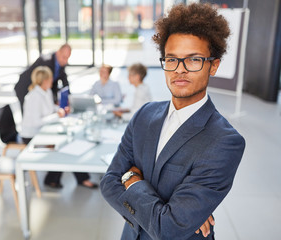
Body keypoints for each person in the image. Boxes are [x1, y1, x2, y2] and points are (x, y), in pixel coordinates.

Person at [100, 3, 245, 240]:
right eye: (172, 59)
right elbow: (108, 183)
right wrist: (168, 210)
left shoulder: (225, 141)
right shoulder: (144, 115)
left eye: (194, 60)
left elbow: (169, 228)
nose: (180, 70)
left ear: (214, 66)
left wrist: (131, 180)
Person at [20, 66, 97, 189]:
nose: (52, 80)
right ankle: (53, 179)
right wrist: (57, 115)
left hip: (44, 130)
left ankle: (72, 178)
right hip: (32, 136)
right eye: (50, 78)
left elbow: (50, 108)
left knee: (69, 143)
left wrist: (60, 110)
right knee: (64, 146)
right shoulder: (33, 97)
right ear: (44, 80)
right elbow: (35, 122)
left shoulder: (47, 91)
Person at [15, 44, 72, 112]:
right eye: (64, 57)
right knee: (29, 111)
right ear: (58, 52)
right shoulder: (46, 61)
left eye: (67, 58)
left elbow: (63, 79)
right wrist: (55, 101)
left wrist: (68, 97)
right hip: (24, 87)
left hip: (36, 88)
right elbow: (48, 85)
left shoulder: (61, 62)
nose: (65, 61)